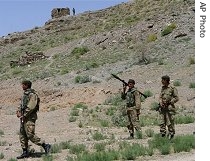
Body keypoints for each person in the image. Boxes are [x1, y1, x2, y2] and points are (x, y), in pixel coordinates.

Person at [16, 80, 51, 159]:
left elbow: (31, 107)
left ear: (27, 85)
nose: (22, 86)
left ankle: (45, 145)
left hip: (29, 117)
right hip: (23, 117)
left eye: (23, 85)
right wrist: (18, 112)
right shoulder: (25, 94)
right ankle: (25, 151)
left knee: (30, 134)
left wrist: (24, 115)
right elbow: (21, 104)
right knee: (22, 135)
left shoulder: (32, 95)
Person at [159, 75, 179, 139]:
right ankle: (163, 134)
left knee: (170, 122)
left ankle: (171, 134)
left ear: (166, 80)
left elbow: (176, 98)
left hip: (169, 108)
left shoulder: (172, 88)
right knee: (162, 122)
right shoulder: (163, 88)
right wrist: (160, 102)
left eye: (163, 80)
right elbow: (160, 97)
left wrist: (170, 102)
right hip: (162, 108)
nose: (161, 81)